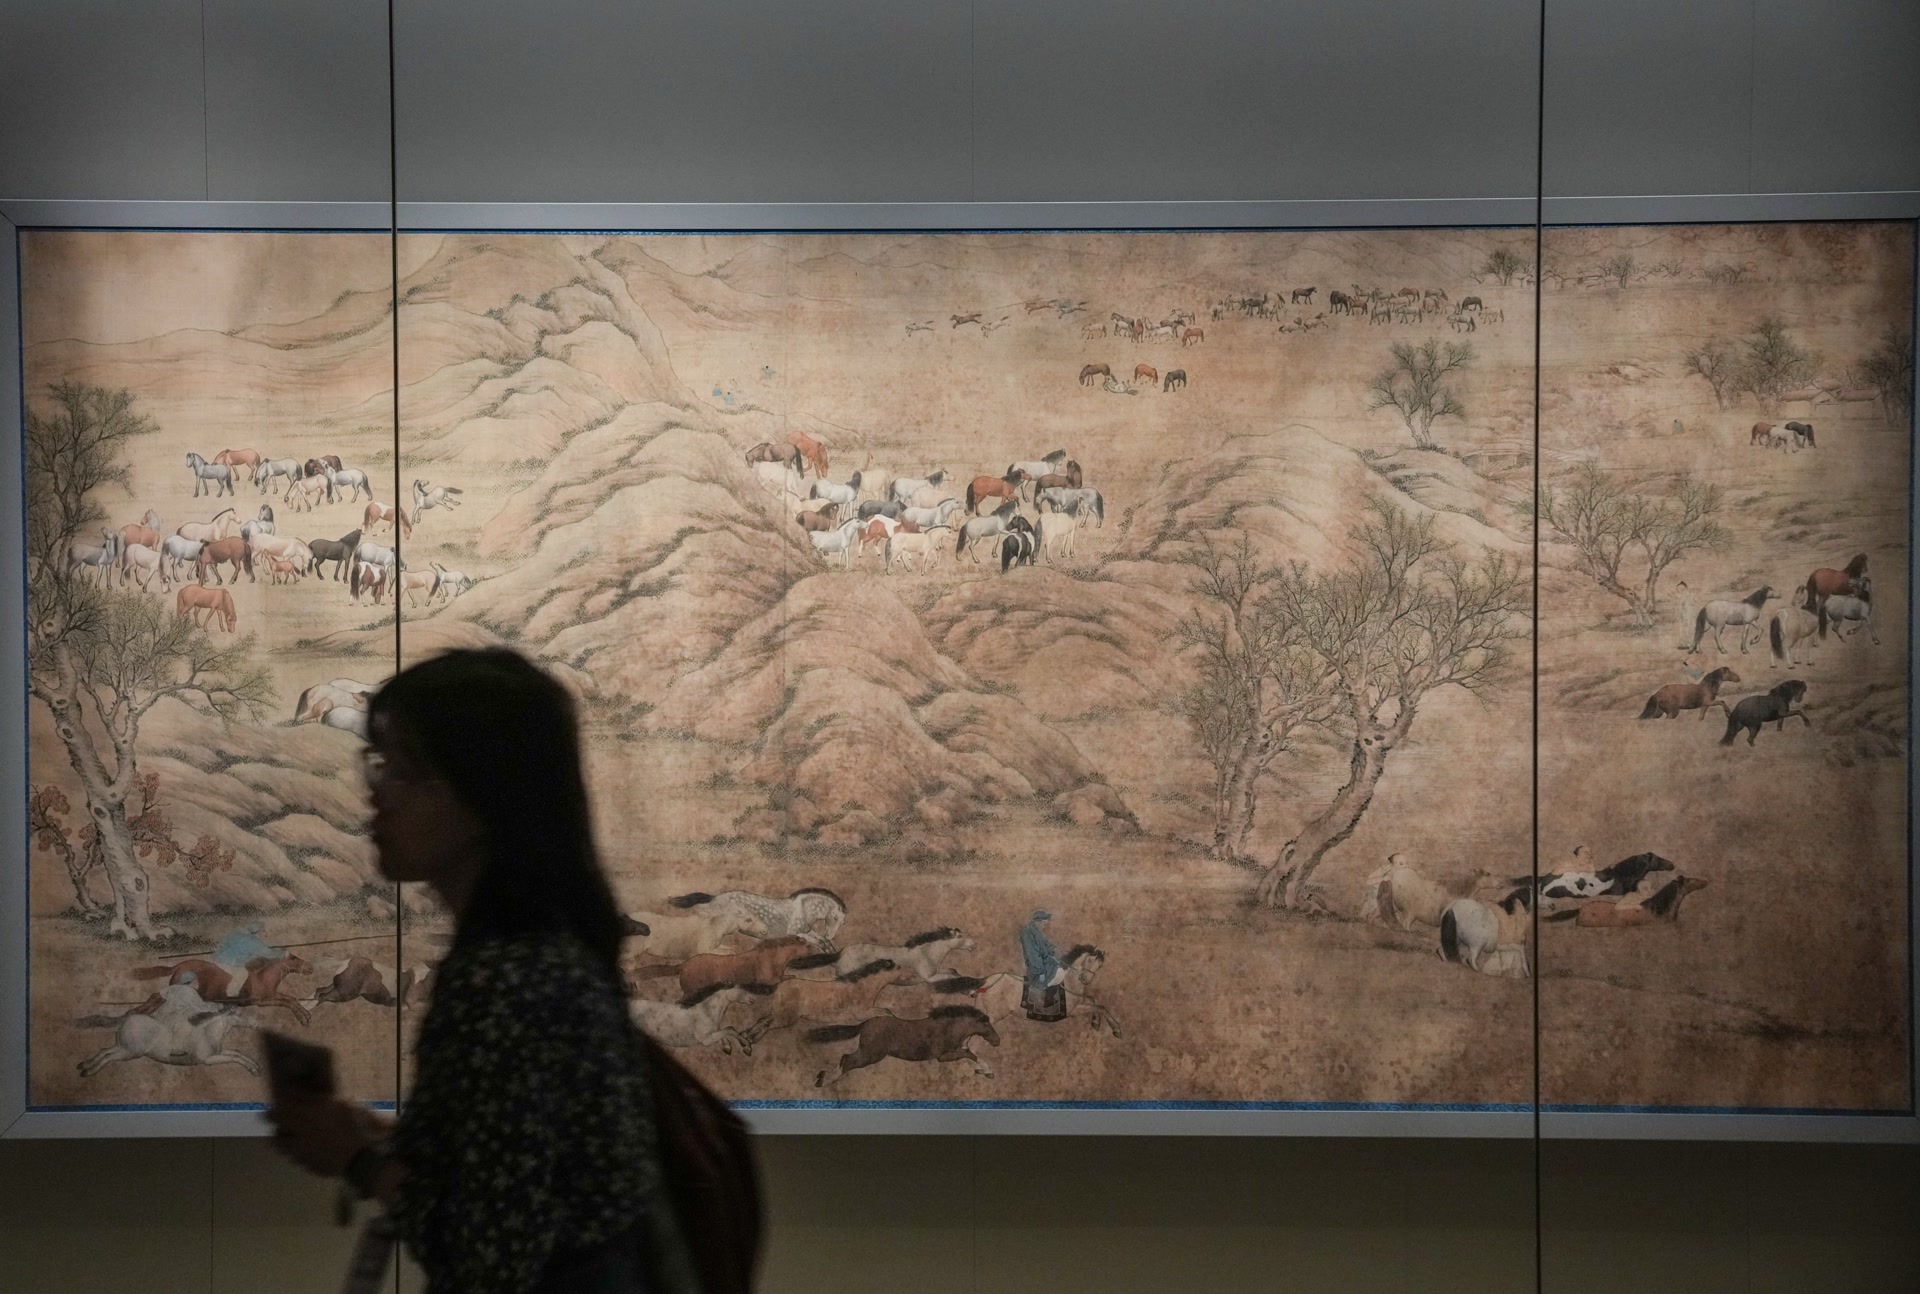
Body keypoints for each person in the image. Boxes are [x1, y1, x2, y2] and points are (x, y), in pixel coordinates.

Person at [266, 648, 703, 1293]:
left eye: (399, 771)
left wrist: (358, 1160)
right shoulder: (540, 955)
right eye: (374, 764)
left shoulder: (508, 980)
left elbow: (490, 1255)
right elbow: (519, 1167)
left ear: (481, 793)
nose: (374, 792)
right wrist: (395, 1141)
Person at [1020, 909, 1067, 1021]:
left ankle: (1049, 995)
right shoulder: (1027, 932)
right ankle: (1045, 998)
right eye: (1045, 923)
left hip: (1044, 961)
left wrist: (1054, 949)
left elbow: (1045, 944)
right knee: (1058, 971)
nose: (1046, 925)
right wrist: (1041, 971)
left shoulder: (1036, 930)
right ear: (1039, 921)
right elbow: (1033, 955)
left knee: (1062, 967)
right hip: (1036, 965)